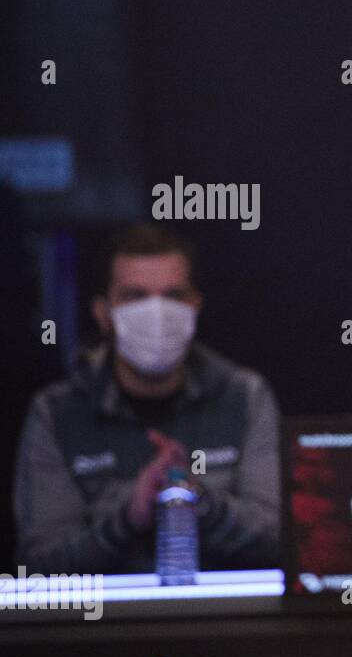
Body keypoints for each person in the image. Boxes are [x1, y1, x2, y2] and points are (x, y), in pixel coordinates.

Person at [13, 222, 281, 575]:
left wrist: (196, 499)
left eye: (172, 296)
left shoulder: (245, 397)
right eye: (135, 296)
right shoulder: (56, 413)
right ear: (103, 312)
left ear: (195, 306)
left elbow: (282, 543)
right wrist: (127, 518)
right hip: (99, 627)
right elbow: (37, 566)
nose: (156, 312)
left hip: (225, 622)